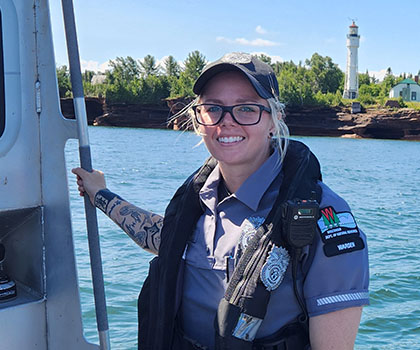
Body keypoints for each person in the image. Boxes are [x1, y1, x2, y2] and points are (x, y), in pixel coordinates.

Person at [73, 52, 369, 350]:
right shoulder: (198, 201)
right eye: (213, 108)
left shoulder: (319, 219)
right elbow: (160, 236)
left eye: (246, 108)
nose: (226, 122)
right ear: (197, 119)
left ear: (274, 119)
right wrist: (99, 193)